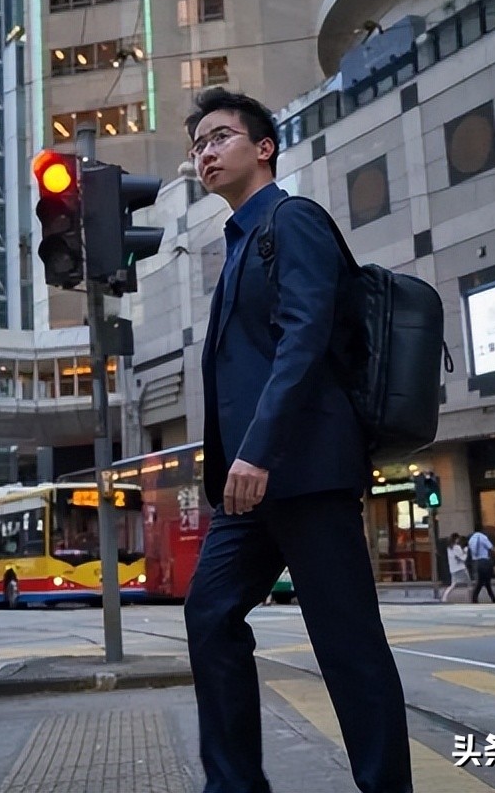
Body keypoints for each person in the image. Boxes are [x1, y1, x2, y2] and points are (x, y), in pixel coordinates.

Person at [182, 88, 412, 793]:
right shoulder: (240, 241)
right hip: (247, 488)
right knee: (210, 613)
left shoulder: (294, 220)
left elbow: (304, 340)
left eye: (220, 137)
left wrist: (257, 448)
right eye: (197, 146)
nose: (206, 153)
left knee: (347, 645)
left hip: (305, 470)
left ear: (264, 147)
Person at [467, 528, 495, 604]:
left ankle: (492, 598)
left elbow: (470, 552)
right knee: (483, 581)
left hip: (475, 562)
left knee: (484, 581)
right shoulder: (483, 537)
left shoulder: (471, 539)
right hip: (484, 561)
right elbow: (491, 547)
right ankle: (475, 598)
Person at [441, 533, 469, 603]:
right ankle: (471, 597)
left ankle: (444, 597)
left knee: (453, 584)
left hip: (453, 569)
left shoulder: (449, 548)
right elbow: (463, 558)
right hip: (461, 568)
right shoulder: (457, 547)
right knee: (469, 582)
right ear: (456, 539)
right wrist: (465, 551)